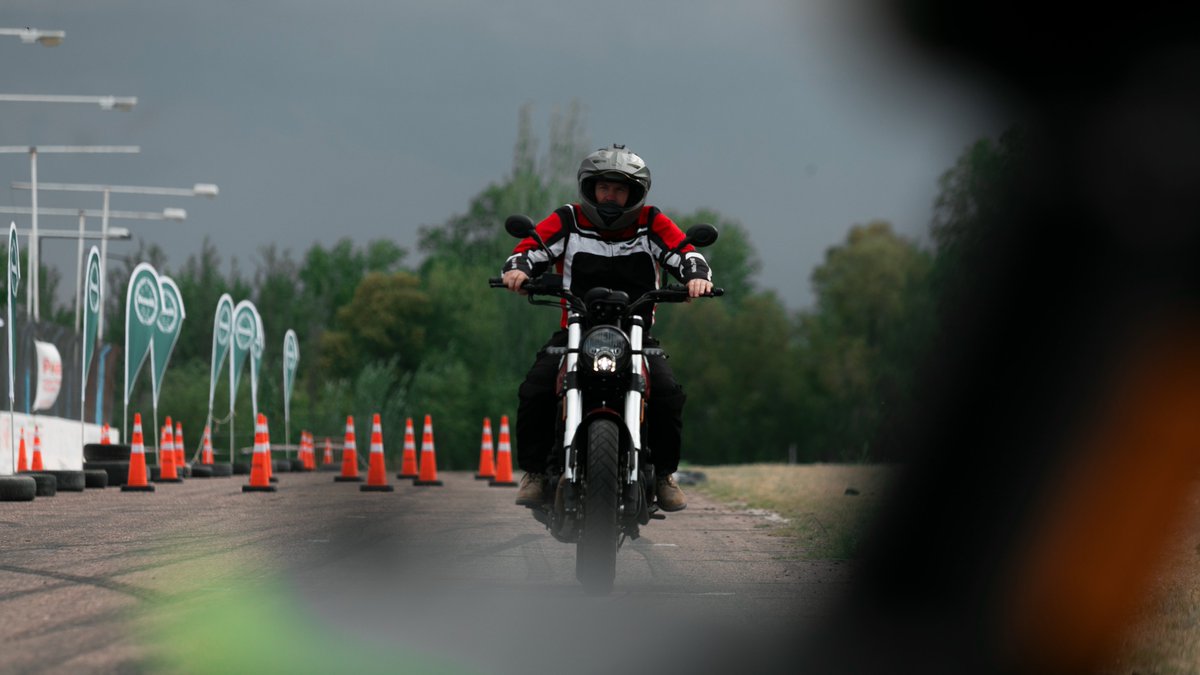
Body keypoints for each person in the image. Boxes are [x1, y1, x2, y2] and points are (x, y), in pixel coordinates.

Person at [500, 143, 714, 512]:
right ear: (590, 188)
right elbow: (532, 247)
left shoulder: (650, 221)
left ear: (634, 193)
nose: (610, 196)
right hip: (576, 331)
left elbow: (684, 252)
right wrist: (518, 269)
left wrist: (696, 276)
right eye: (603, 187)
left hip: (635, 334)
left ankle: (663, 475)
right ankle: (535, 473)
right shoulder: (568, 219)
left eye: (619, 188)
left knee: (666, 391)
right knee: (535, 387)